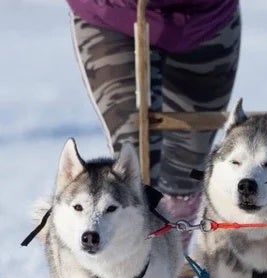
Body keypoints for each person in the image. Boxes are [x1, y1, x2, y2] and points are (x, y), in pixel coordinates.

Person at [67, 0, 241, 248]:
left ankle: (168, 261)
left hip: (205, 20)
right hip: (113, 16)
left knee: (186, 172)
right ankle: (133, 271)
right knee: (133, 156)